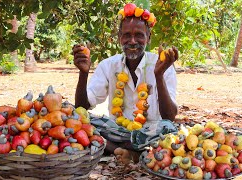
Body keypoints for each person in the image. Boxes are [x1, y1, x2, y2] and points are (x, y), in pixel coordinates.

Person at [72, 4, 179, 164]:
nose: (133, 41)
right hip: (116, 131)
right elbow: (82, 106)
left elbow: (169, 116)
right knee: (78, 119)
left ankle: (115, 148)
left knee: (169, 129)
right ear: (119, 38)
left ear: (148, 37)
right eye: (127, 35)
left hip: (150, 133)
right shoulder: (108, 65)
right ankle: (125, 151)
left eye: (139, 35)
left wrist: (158, 75)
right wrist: (83, 73)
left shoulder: (161, 65)